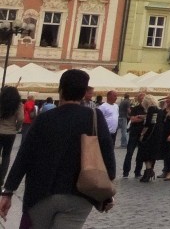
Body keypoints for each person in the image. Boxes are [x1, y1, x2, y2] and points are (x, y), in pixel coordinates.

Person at [0, 69, 116, 227]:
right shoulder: (95, 117)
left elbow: (24, 157)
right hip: (79, 196)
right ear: (84, 93)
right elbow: (109, 162)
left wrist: (8, 191)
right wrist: (105, 192)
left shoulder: (44, 119)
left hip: (41, 194)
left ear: (60, 90)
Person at [0, 86, 23, 186]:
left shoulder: (1, 102)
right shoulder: (18, 104)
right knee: (6, 155)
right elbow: (21, 118)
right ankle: (1, 178)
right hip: (10, 133)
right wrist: (16, 128)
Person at [137, 94, 163, 182]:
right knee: (152, 154)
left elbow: (148, 124)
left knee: (145, 154)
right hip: (158, 134)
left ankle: (148, 172)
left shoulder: (151, 109)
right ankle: (149, 171)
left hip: (150, 135)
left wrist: (142, 134)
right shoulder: (159, 110)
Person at [123, 92, 146, 179]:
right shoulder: (135, 108)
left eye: (144, 98)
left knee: (140, 153)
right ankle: (126, 172)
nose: (142, 100)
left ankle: (138, 172)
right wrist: (144, 118)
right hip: (134, 132)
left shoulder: (148, 109)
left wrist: (140, 117)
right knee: (129, 152)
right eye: (141, 98)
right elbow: (133, 120)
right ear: (138, 100)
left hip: (143, 133)